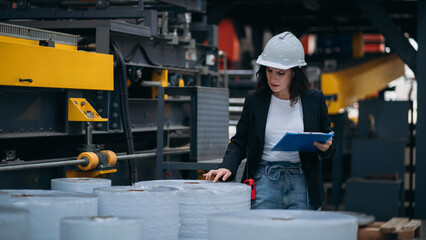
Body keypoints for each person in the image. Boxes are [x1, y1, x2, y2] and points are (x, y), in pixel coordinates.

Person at [204, 32, 335, 210]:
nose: (273, 78)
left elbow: (328, 140)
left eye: (280, 73)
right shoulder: (255, 100)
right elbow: (240, 140)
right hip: (264, 181)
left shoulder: (314, 100)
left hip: (303, 182)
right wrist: (227, 166)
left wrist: (327, 146)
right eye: (269, 71)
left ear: (294, 73)